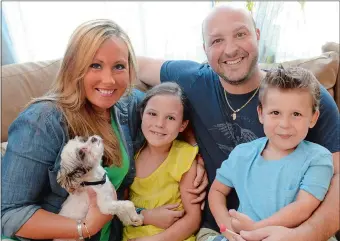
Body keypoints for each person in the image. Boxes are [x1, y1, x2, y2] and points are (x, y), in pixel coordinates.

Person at [136, 5, 340, 241]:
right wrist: (190, 142)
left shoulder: (302, 96)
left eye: (240, 34)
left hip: (294, 230)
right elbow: (135, 65)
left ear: (258, 35)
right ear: (205, 49)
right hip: (219, 229)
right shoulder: (194, 80)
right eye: (217, 41)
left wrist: (305, 234)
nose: (230, 49)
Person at [1, 19, 206, 241]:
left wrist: (196, 154)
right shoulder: (41, 122)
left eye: (119, 66)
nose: (109, 80)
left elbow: (171, 112)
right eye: (95, 65)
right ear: (74, 66)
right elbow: (10, 214)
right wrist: (84, 228)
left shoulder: (127, 105)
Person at [208, 67, 334, 241]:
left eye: (296, 114)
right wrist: (227, 227)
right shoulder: (242, 154)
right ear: (261, 114)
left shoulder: (318, 158)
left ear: (313, 118)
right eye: (275, 113)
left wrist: (255, 229)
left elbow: (303, 207)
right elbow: (216, 191)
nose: (285, 124)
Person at [123, 82, 201, 241]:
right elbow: (121, 205)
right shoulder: (132, 154)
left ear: (183, 125)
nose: (159, 124)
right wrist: (147, 216)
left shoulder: (184, 157)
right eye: (152, 114)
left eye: (171, 118)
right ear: (141, 114)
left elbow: (193, 219)